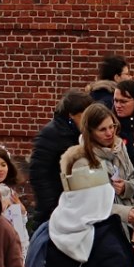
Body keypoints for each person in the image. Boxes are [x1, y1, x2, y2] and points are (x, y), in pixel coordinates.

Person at [28, 90, 90, 229]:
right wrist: (52, 207)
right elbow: (38, 173)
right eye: (84, 116)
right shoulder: (52, 134)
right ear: (71, 115)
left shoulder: (81, 135)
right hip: (56, 206)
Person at [0, 143, 30, 245]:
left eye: (3, 165)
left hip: (12, 241)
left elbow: (20, 223)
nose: (0, 169)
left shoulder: (9, 191)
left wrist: (21, 210)